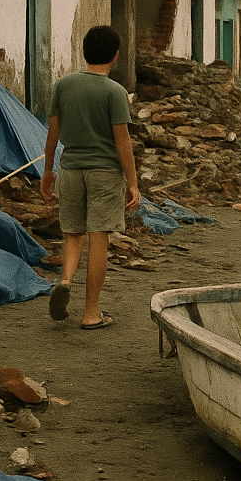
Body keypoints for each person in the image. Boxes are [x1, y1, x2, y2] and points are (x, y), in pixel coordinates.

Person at [40, 25, 140, 329]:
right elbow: (123, 143)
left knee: (73, 234)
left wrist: (47, 171)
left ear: (84, 52)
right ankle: (91, 312)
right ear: (115, 55)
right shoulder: (115, 92)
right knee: (99, 239)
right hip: (105, 175)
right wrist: (133, 183)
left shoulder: (64, 85)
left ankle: (66, 280)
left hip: (70, 170)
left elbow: (52, 135)